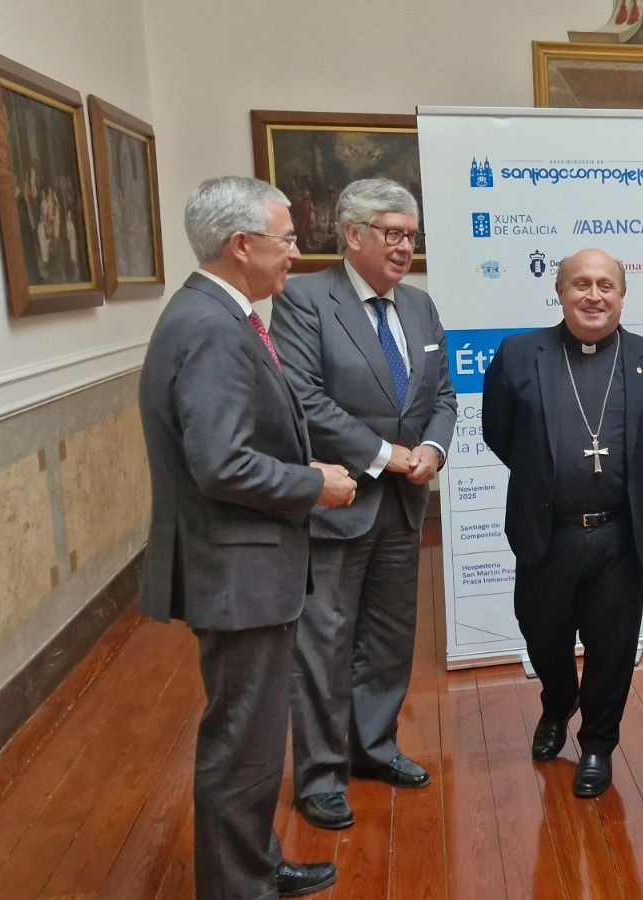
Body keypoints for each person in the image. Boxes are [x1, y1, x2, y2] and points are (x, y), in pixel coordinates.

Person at [138, 175, 356, 899]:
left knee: (255, 738)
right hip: (238, 571)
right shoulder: (209, 327)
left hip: (244, 567)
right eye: (287, 238)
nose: (296, 253)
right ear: (241, 246)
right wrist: (314, 483)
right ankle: (240, 888)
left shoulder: (216, 313)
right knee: (243, 743)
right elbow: (222, 463)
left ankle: (254, 865)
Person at [269, 178, 456, 830]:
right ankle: (320, 777)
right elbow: (304, 400)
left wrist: (432, 448)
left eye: (411, 235)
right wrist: (388, 454)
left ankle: (373, 748)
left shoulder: (421, 308)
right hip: (338, 501)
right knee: (324, 643)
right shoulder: (303, 300)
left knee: (388, 638)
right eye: (392, 234)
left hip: (406, 505)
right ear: (352, 235)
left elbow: (444, 397)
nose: (406, 247)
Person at [482, 248, 643, 797]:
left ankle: (597, 744)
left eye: (605, 285)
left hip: (620, 532)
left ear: (622, 294)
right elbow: (500, 435)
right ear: (560, 292)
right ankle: (556, 702)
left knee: (613, 648)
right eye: (580, 285)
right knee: (544, 638)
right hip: (547, 531)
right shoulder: (520, 356)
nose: (593, 295)